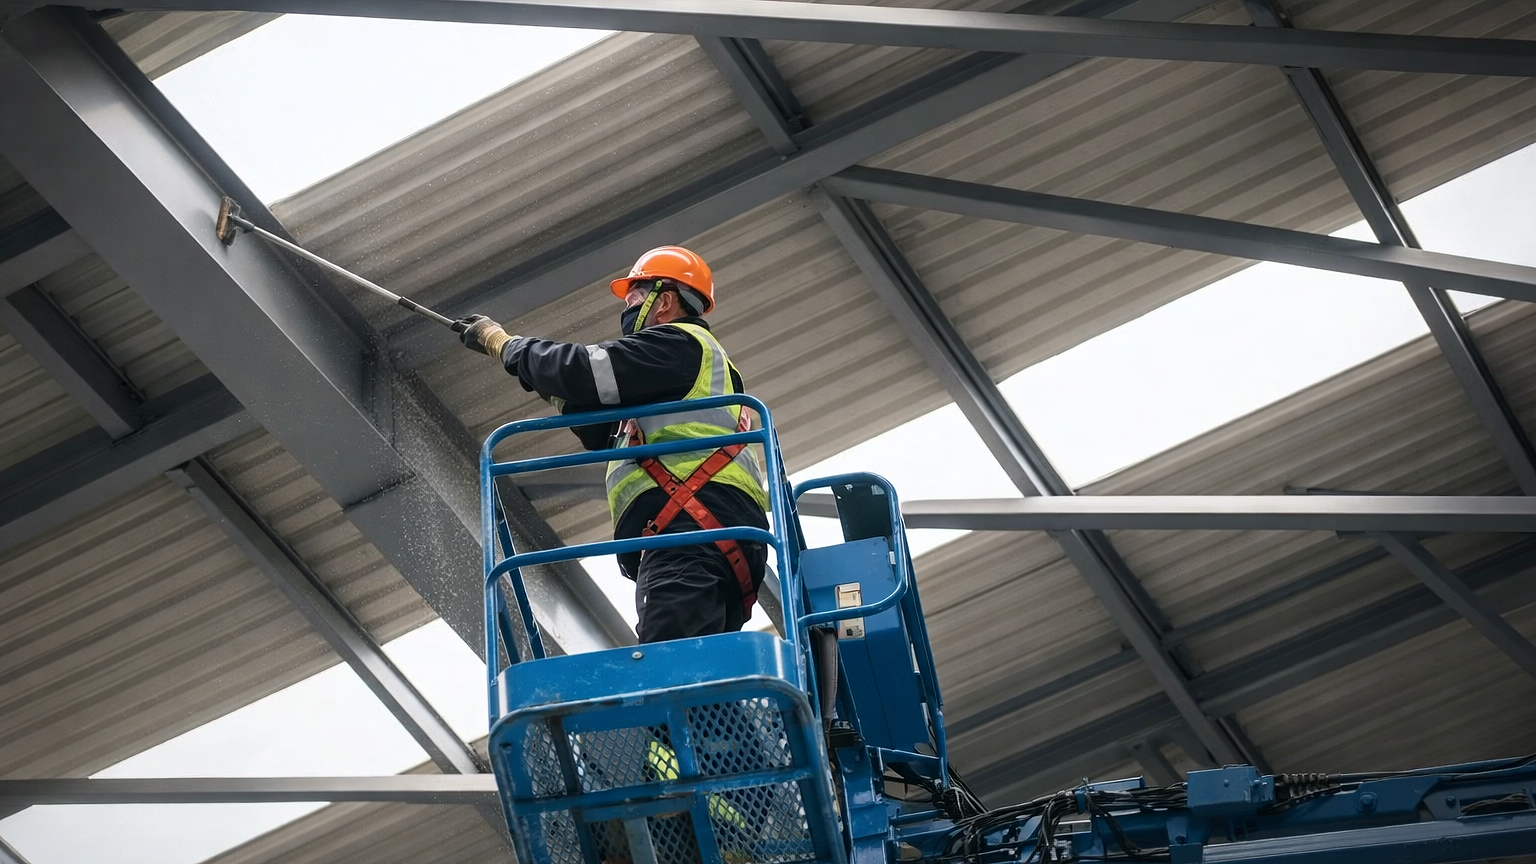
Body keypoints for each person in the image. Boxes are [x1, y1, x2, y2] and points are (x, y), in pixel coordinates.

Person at [457, 246, 770, 644]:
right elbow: (601, 425)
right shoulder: (680, 375)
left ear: (666, 301)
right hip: (711, 536)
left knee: (671, 673)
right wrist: (540, 377)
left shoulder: (677, 344)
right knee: (705, 676)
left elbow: (583, 370)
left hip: (691, 534)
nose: (627, 306)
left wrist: (503, 343)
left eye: (634, 296)